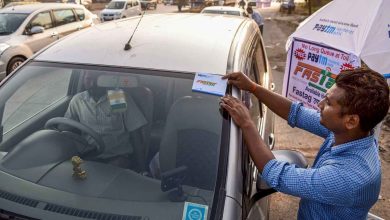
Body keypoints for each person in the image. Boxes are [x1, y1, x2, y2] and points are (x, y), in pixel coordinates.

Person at [220, 68, 390, 219]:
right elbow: (296, 113)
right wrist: (253, 88)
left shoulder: (349, 177)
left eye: (329, 103)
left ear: (351, 121)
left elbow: (277, 175)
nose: (320, 104)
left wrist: (247, 123)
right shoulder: (352, 133)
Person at [65, 70, 147, 169]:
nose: (92, 84)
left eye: (98, 79)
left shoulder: (116, 98)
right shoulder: (78, 101)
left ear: (107, 80)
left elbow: (135, 134)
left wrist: (142, 168)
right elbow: (66, 129)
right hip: (89, 157)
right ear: (83, 80)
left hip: (117, 158)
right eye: (88, 79)